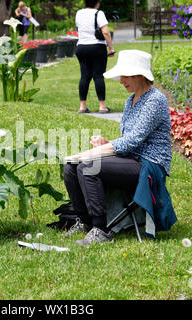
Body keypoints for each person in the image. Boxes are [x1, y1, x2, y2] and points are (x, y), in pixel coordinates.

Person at [63, 50, 174, 246]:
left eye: (125, 75)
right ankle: (85, 222)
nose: (121, 81)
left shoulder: (155, 100)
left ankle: (101, 230)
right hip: (132, 159)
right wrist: (107, 143)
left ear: (140, 75)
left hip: (150, 165)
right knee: (70, 167)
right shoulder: (130, 101)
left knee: (87, 166)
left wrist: (89, 154)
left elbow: (132, 141)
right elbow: (128, 140)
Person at [75, 0, 115, 114]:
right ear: (97, 3)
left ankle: (82, 106)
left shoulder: (79, 13)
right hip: (97, 47)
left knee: (84, 76)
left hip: (81, 47)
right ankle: (102, 106)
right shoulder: (99, 13)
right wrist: (111, 48)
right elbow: (106, 32)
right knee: (98, 76)